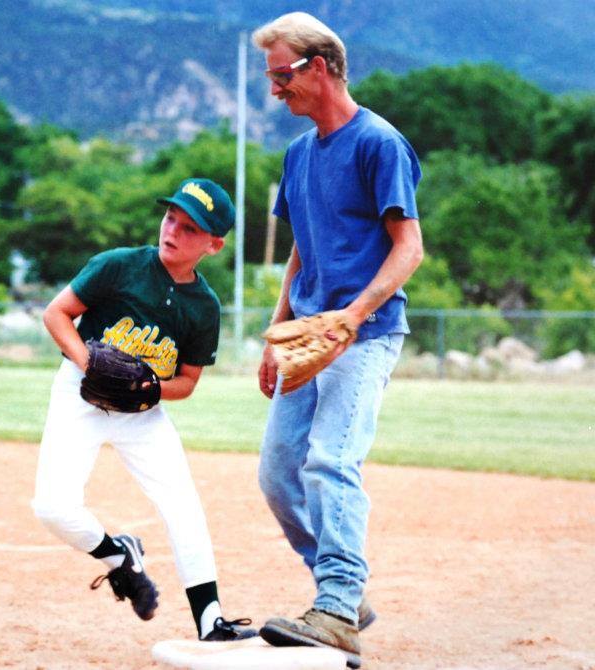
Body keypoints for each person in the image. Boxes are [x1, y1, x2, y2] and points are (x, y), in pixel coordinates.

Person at [251, 12, 425, 669]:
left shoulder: (379, 143)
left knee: (330, 460)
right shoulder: (299, 155)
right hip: (307, 337)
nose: (275, 90)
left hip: (367, 332)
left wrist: (354, 314)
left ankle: (337, 606)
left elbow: (410, 249)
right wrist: (276, 333)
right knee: (277, 474)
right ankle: (343, 592)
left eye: (282, 75)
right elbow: (302, 251)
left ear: (319, 67)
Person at [31, 178, 256, 642]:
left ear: (213, 245)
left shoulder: (204, 308)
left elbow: (188, 382)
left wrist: (150, 388)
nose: (172, 230)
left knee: (182, 506)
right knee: (53, 507)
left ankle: (210, 620)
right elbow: (57, 313)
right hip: (80, 393)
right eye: (170, 217)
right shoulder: (120, 266)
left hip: (143, 411)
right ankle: (119, 557)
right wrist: (90, 362)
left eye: (189, 228)